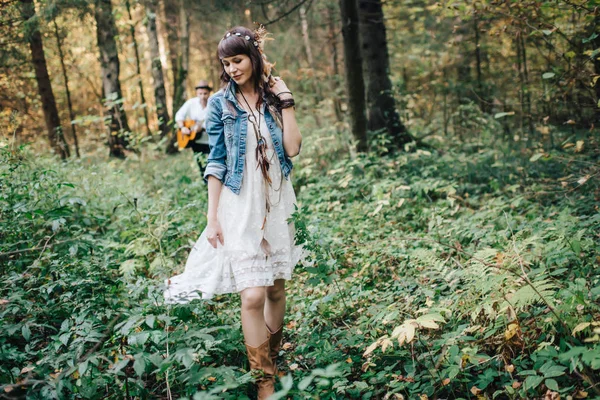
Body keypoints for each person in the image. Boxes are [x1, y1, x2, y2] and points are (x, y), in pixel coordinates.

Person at [164, 26, 303, 399]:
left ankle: (271, 359)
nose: (232, 69)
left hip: (276, 201)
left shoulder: (275, 97)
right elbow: (217, 163)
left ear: (254, 57)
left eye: (237, 60)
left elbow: (291, 149)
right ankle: (264, 381)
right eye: (226, 63)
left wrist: (286, 101)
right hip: (239, 204)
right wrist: (212, 217)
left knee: (275, 288)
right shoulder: (220, 105)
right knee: (252, 295)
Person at [174, 80, 212, 174]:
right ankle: (204, 185)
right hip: (196, 141)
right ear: (196, 93)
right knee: (201, 166)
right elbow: (179, 115)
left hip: (210, 140)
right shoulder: (191, 103)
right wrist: (183, 127)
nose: (203, 96)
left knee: (212, 165)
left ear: (209, 93)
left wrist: (203, 128)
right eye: (200, 94)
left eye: (205, 94)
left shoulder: (213, 104)